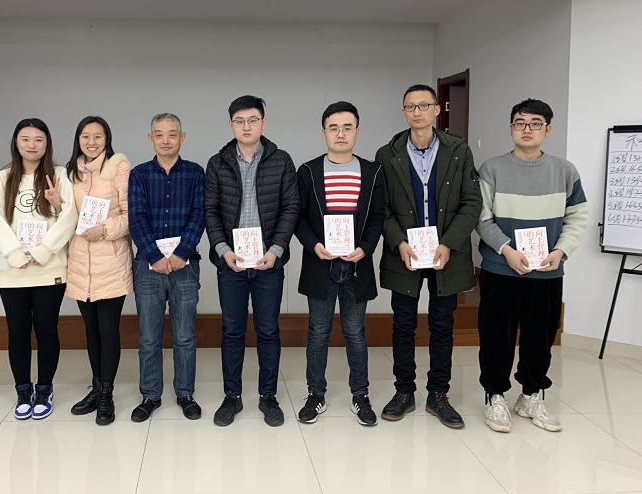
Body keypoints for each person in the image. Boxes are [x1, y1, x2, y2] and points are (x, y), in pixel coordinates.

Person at [477, 99, 587, 433]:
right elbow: (482, 218)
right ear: (510, 128)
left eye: (535, 123)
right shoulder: (491, 169)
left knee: (541, 336)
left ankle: (531, 395)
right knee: (497, 335)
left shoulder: (565, 171)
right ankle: (495, 396)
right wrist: (506, 250)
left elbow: (577, 217)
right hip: (501, 269)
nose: (527, 129)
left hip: (547, 271)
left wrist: (561, 251)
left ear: (547, 129)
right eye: (520, 123)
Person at [375, 84, 482, 429]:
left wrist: (449, 242)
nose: (417, 112)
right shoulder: (387, 154)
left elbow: (472, 202)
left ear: (437, 110)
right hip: (405, 253)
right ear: (403, 112)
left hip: (445, 254)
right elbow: (381, 208)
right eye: (410, 106)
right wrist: (398, 242)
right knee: (403, 324)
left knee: (442, 324)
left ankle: (438, 394)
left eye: (424, 105)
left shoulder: (458, 151)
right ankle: (404, 392)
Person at [205, 95, 300, 427]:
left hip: (267, 263)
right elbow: (210, 211)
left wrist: (276, 250)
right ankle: (232, 396)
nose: (246, 127)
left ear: (263, 122)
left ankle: (268, 396)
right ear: (231, 125)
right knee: (232, 331)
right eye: (239, 121)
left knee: (268, 330)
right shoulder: (218, 163)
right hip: (230, 263)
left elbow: (291, 208)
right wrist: (222, 249)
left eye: (253, 120)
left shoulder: (281, 160)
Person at [294, 101, 385, 426]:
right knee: (318, 331)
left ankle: (360, 395)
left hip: (356, 265)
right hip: (321, 264)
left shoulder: (372, 172)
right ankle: (315, 395)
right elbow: (298, 217)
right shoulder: (308, 172)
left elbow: (378, 216)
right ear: (324, 133)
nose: (341, 133)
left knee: (355, 332)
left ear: (357, 132)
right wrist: (314, 245)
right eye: (334, 128)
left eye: (347, 127)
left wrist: (366, 248)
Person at [0, 118, 77, 420]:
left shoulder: (59, 175)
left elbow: (70, 217)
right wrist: (15, 254)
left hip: (48, 268)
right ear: (15, 142)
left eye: (39, 139)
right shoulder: (2, 179)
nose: (32, 145)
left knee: (47, 330)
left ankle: (45, 388)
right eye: (25, 139)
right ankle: (23, 390)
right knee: (17, 332)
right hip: (12, 269)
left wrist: (43, 250)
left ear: (47, 143)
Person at [128, 113, 204, 422]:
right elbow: (136, 218)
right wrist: (154, 256)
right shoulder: (139, 174)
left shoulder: (195, 173)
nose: (166, 140)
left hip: (185, 265)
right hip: (148, 267)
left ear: (182, 138)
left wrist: (182, 253)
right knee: (149, 337)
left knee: (185, 335)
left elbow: (199, 214)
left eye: (172, 134)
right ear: (151, 139)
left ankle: (185, 393)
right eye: (159, 134)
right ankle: (150, 395)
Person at [65, 116, 133, 426]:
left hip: (111, 261)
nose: (91, 142)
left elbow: (132, 215)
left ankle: (107, 394)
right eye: (85, 136)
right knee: (90, 330)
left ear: (107, 139)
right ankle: (95, 388)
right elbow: (68, 217)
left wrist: (105, 229)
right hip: (81, 262)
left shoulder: (119, 168)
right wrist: (55, 204)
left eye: (98, 136)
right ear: (78, 140)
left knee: (108, 330)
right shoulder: (71, 172)